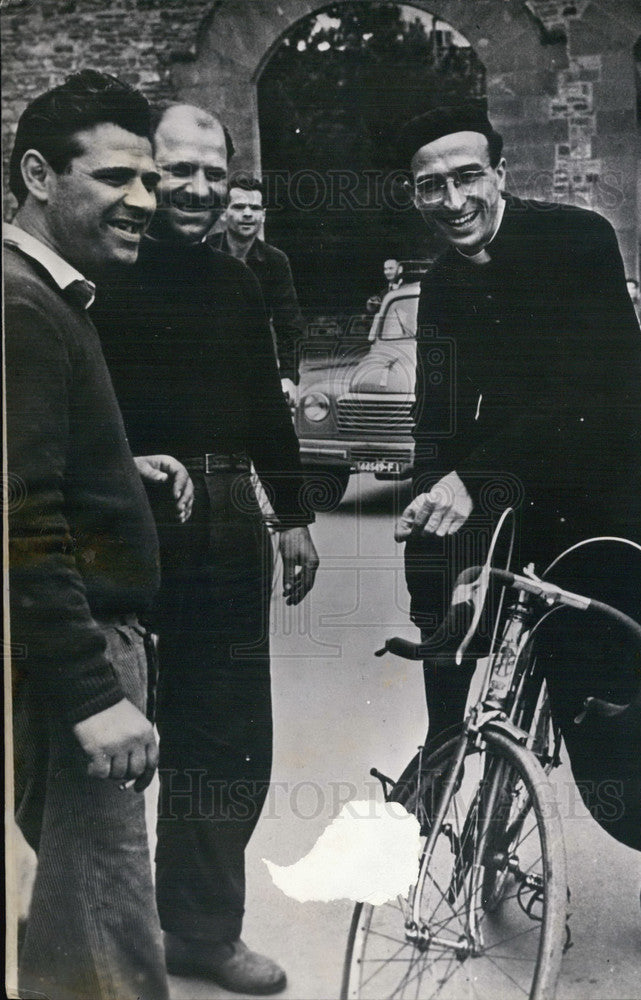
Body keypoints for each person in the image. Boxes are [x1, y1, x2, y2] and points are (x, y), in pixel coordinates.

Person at [394, 105, 641, 991]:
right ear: (414, 194)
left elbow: (597, 386)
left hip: (625, 489)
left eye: (467, 177)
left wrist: (477, 474)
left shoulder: (578, 241)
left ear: (500, 173)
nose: (452, 199)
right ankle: (452, 758)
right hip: (533, 485)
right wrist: (432, 505)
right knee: (462, 609)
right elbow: (438, 414)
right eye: (431, 185)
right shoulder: (442, 284)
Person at [92, 102, 319, 996]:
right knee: (119, 727)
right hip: (129, 516)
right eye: (175, 170)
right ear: (149, 171)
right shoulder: (99, 274)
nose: (194, 189)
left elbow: (266, 403)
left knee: (228, 734)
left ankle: (200, 928)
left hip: (226, 516)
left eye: (212, 174)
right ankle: (102, 930)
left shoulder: (239, 282)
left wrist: (293, 511)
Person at [5, 69, 191, 1000]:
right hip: (81, 666)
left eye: (150, 182)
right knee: (107, 948)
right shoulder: (23, 306)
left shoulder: (45, 296)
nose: (143, 201)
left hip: (79, 657)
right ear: (40, 175)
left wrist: (121, 474)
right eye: (117, 177)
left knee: (76, 932)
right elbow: (17, 518)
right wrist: (91, 697)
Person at [207, 174, 304, 398]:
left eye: (255, 207)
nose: (248, 214)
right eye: (239, 206)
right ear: (223, 214)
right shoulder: (204, 254)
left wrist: (288, 376)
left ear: (263, 216)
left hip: (255, 369)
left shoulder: (276, 261)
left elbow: (289, 323)